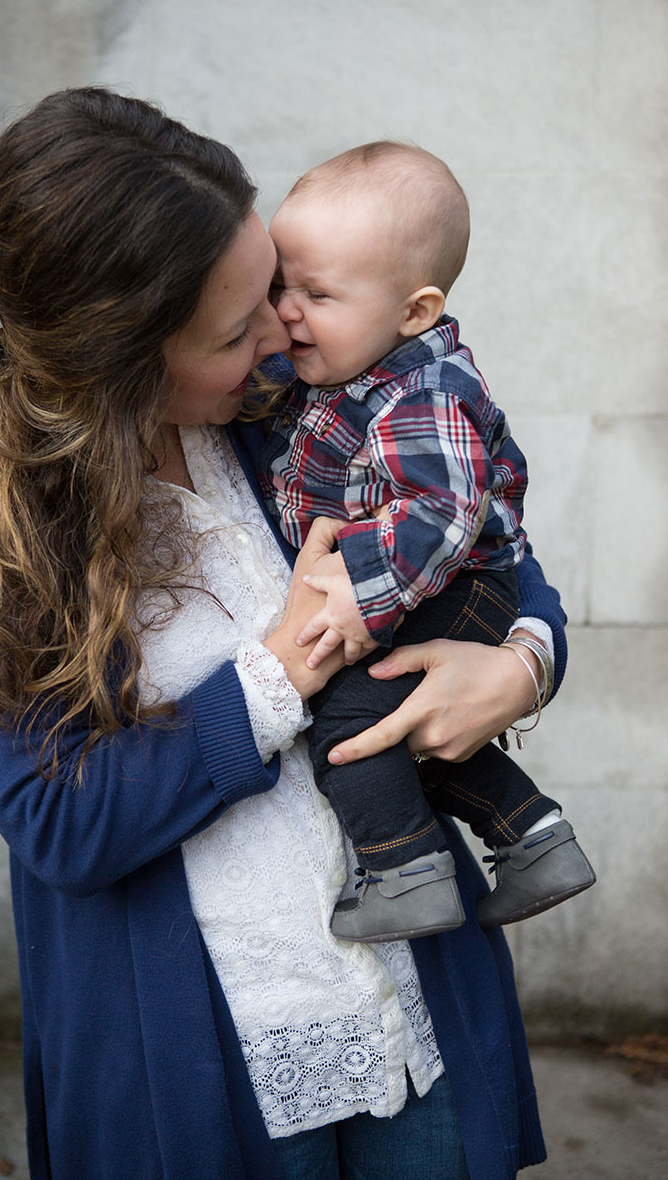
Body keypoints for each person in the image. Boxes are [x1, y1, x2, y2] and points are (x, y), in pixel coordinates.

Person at [0, 87, 568, 1180]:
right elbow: (61, 827)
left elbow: (488, 546)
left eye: (271, 289)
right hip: (215, 1056)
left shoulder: (291, 410)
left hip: (412, 1009)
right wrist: (274, 675)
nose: (278, 331)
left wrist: (520, 665)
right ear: (125, 361)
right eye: (235, 324)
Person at [260, 142, 595, 944]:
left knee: (346, 722)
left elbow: (444, 511)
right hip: (438, 586)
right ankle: (534, 838)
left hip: (456, 586)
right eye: (279, 286)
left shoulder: (425, 392)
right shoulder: (344, 374)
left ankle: (405, 871)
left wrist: (359, 592)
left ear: (414, 311)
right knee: (411, 723)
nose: (286, 312)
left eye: (317, 293)